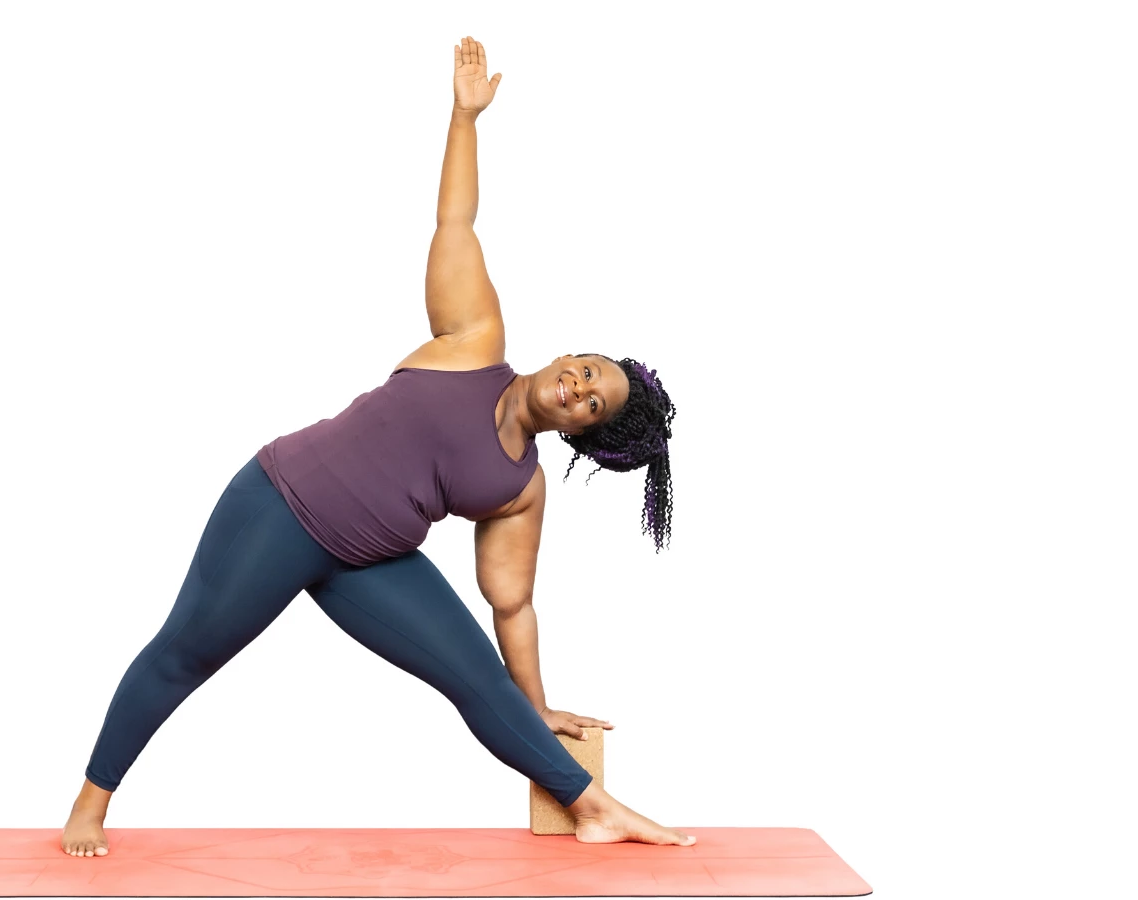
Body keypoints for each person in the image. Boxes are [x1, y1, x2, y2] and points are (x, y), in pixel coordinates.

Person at [61, 35, 686, 857]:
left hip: (370, 561)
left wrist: (536, 707)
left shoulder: (520, 488)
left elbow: (513, 609)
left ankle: (593, 805)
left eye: (590, 401)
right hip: (280, 508)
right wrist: (464, 119)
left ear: (582, 433)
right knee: (186, 653)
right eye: (585, 369)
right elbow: (455, 220)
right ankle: (89, 804)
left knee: (478, 683)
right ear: (571, 355)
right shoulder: (473, 337)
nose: (575, 385)